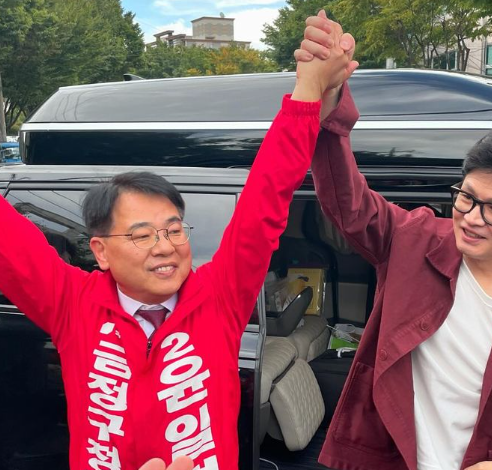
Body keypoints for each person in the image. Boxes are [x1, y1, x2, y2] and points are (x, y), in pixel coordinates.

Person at [0, 24, 357, 470]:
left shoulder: (220, 296)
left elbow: (265, 199)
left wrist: (308, 92)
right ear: (101, 251)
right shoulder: (71, 303)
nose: (164, 247)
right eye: (142, 235)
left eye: (173, 230)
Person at [295, 10, 492, 470]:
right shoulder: (414, 241)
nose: (470, 219)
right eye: (466, 197)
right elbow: (350, 206)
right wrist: (329, 104)